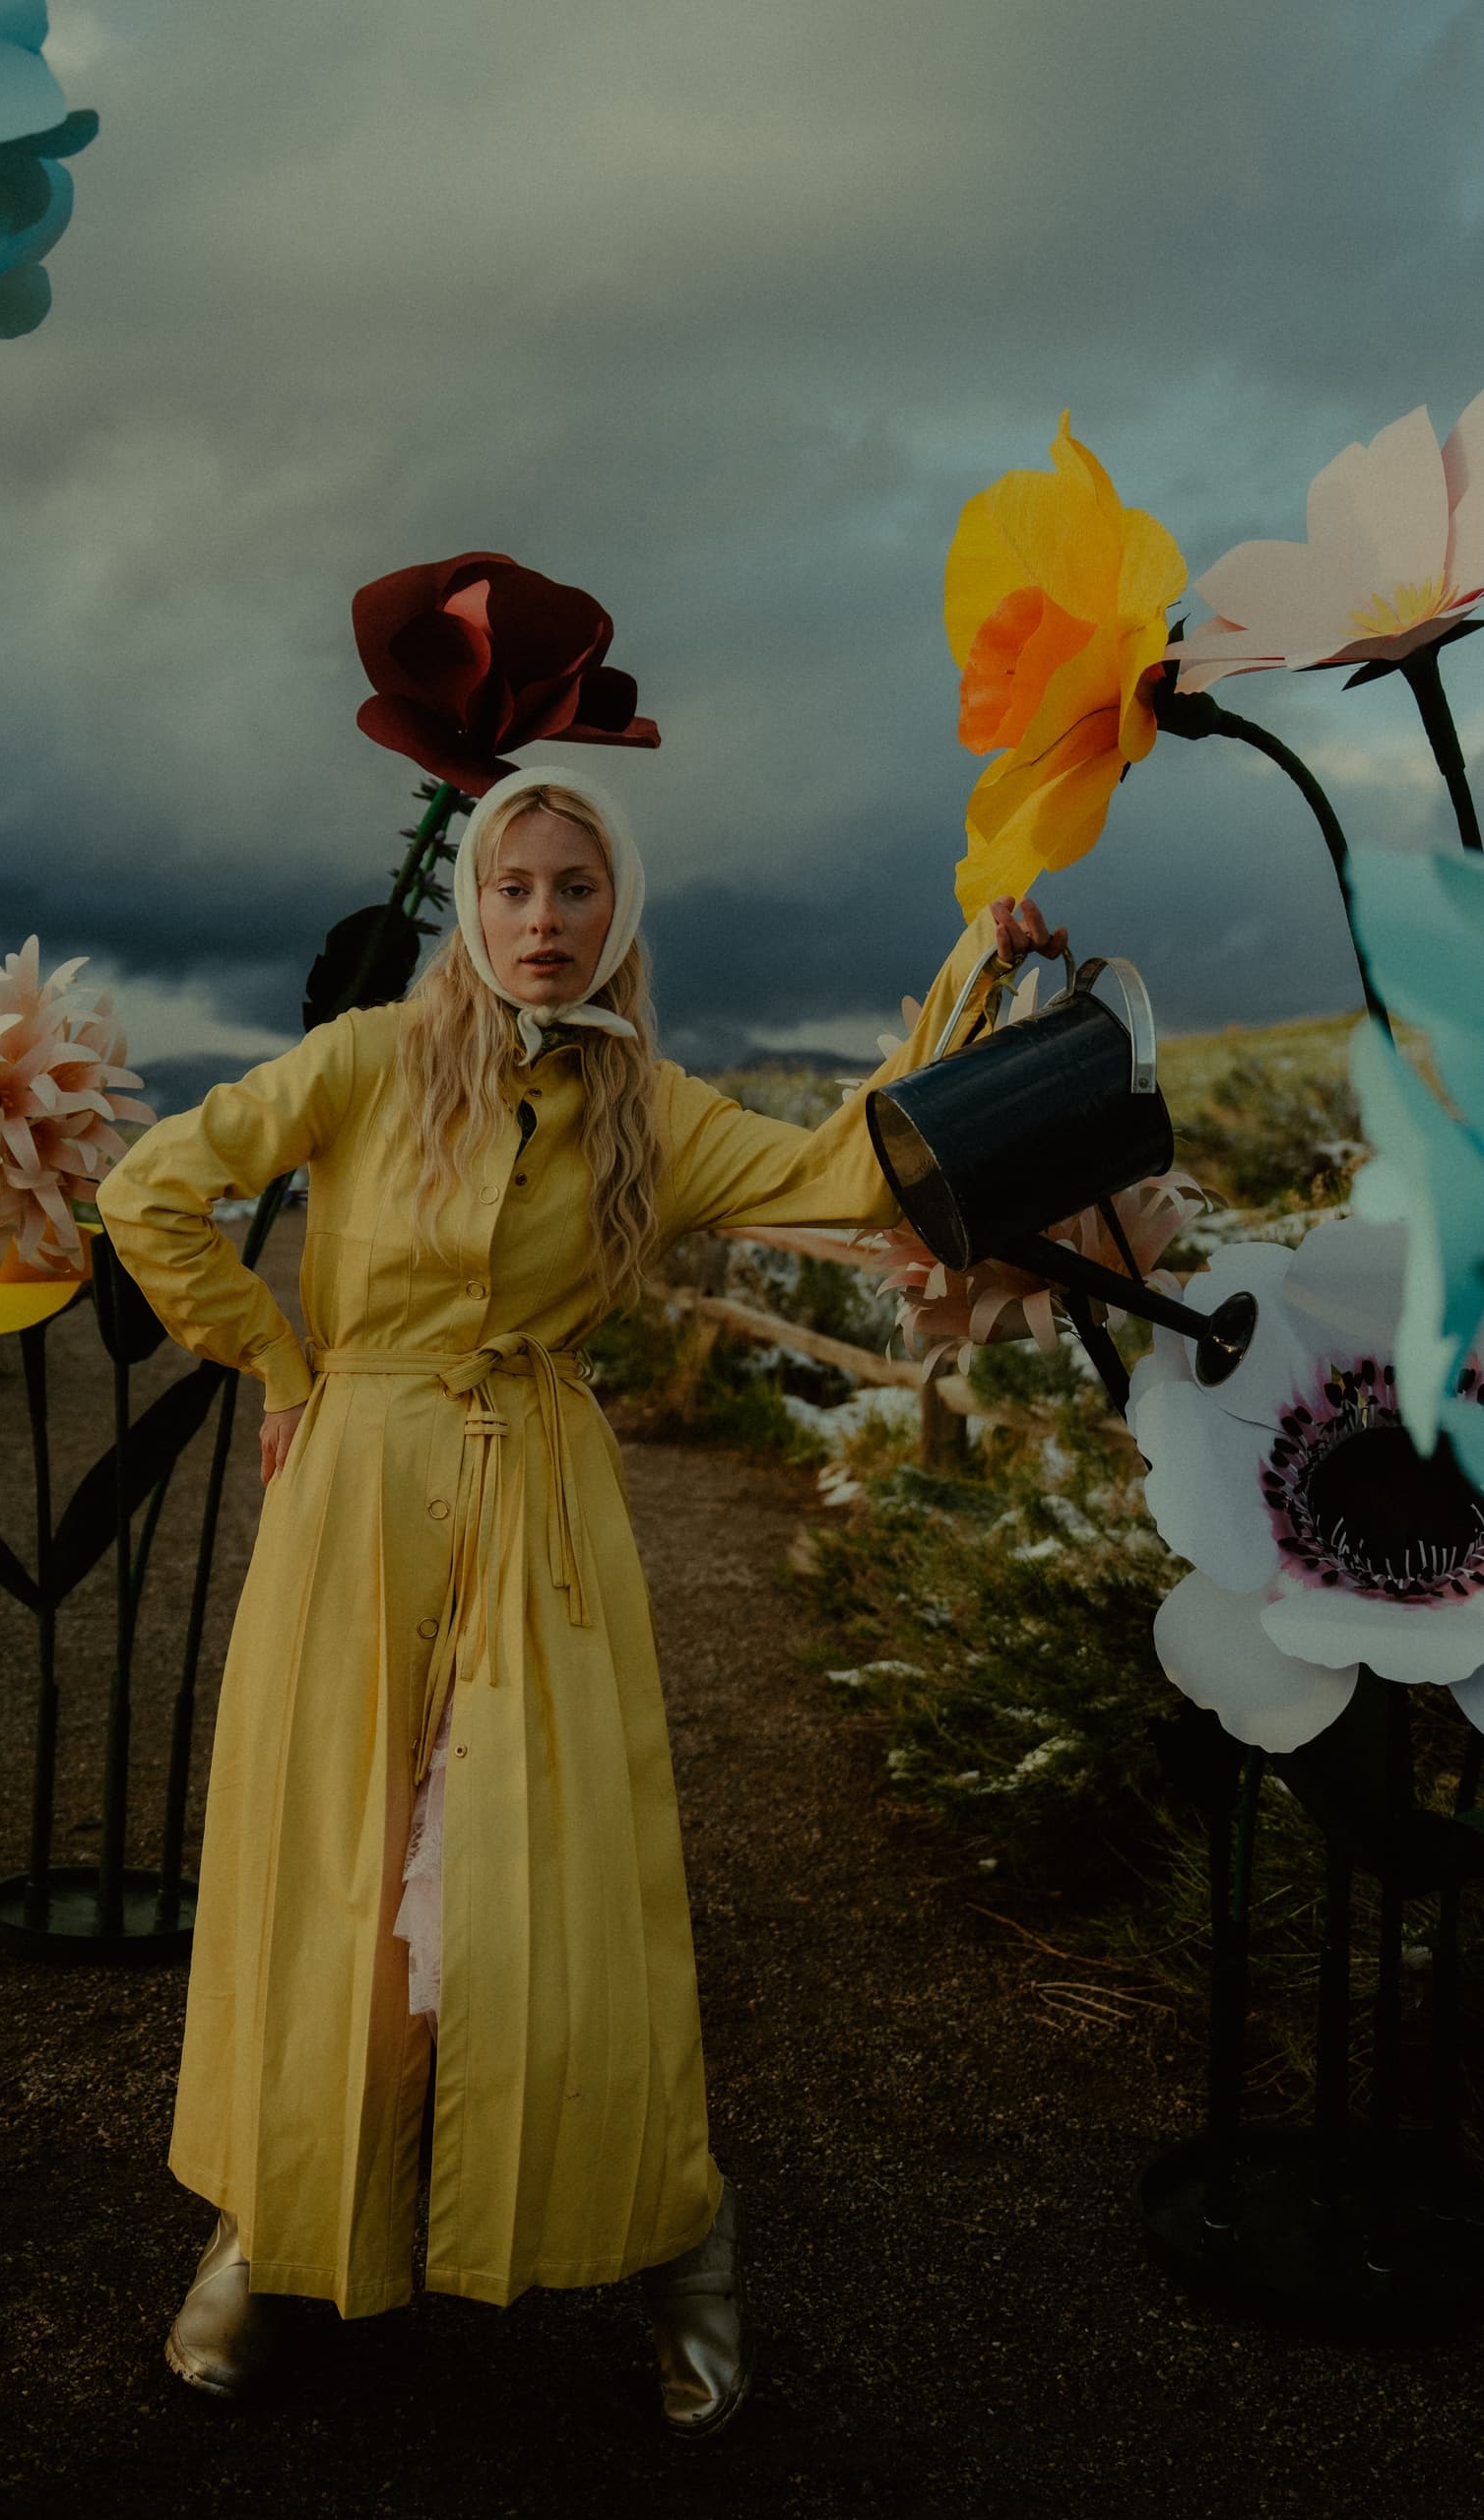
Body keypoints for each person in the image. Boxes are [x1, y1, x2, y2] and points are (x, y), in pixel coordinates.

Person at [93, 764, 1065, 2436]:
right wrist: (278, 1359)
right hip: (355, 1501)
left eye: (578, 890)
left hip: (537, 1498)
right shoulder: (365, 1063)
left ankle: (680, 2239)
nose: (543, 921)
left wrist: (982, 976)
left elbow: (849, 1171)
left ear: (621, 914)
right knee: (329, 1861)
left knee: (552, 1883)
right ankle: (274, 2222)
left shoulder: (654, 1111)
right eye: (516, 887)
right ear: (471, 905)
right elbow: (148, 1190)